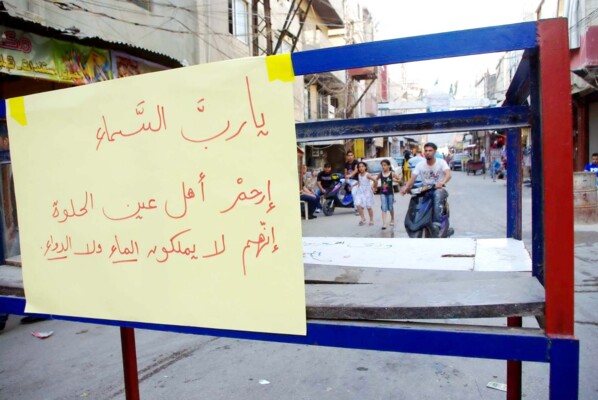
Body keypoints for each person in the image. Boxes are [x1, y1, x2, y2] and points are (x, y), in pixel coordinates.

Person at [400, 142, 451, 231]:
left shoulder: (441, 162)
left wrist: (442, 182)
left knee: (437, 195)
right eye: (426, 150)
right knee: (416, 199)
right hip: (425, 189)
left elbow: (448, 174)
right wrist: (406, 187)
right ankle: (415, 222)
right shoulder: (420, 165)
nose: (428, 152)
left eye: (430, 150)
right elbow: (413, 178)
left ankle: (437, 224)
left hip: (438, 189)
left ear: (435, 151)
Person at [378, 159, 402, 230]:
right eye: (382, 165)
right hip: (382, 193)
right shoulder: (381, 174)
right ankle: (384, 223)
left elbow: (400, 180)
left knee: (390, 207)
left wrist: (395, 180)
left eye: (385, 165)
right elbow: (376, 179)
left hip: (390, 193)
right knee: (383, 207)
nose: (383, 167)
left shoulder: (392, 174)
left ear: (389, 166)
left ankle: (392, 219)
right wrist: (374, 187)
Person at [354, 161, 377, 226]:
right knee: (358, 204)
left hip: (367, 192)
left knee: (368, 207)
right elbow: (360, 182)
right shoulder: (359, 175)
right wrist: (353, 186)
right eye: (359, 167)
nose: (361, 168)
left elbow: (375, 180)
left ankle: (371, 220)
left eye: (362, 166)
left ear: (365, 167)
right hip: (360, 191)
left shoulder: (367, 175)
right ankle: (363, 218)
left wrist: (374, 187)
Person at [344, 151, 359, 215]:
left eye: (351, 155)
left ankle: (356, 209)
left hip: (355, 180)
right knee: (339, 182)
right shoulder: (346, 163)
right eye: (349, 155)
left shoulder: (356, 162)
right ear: (347, 156)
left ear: (353, 156)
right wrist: (345, 179)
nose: (350, 157)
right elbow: (345, 172)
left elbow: (356, 170)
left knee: (353, 193)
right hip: (349, 179)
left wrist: (350, 175)